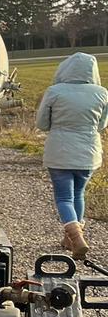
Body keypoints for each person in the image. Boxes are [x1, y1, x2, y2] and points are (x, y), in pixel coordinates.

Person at [35, 52, 108, 258]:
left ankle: (76, 237)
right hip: (88, 151)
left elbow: (42, 123)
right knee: (78, 194)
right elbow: (102, 124)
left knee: (64, 196)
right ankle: (70, 240)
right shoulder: (102, 93)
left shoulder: (54, 91)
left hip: (60, 150)